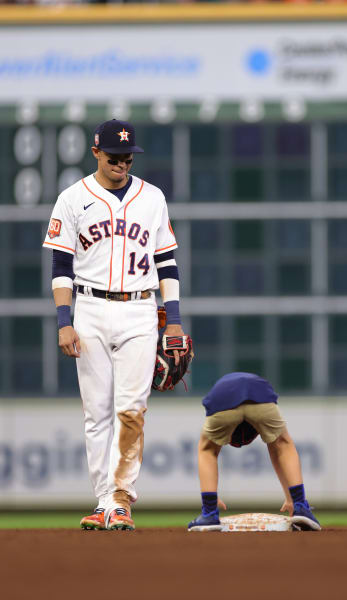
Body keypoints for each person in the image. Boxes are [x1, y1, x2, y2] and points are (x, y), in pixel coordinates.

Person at [43, 119, 186, 531]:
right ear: (95, 153)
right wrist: (63, 321)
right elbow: (60, 265)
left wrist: (173, 319)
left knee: (132, 410)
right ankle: (104, 501)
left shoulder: (151, 197)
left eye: (127, 157)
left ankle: (121, 500)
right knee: (96, 413)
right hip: (88, 309)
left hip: (140, 310)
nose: (122, 163)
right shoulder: (72, 198)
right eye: (114, 157)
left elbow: (166, 261)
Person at [188, 372, 321, 532]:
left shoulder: (223, 388)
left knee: (207, 449)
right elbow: (278, 453)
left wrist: (211, 497)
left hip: (223, 397)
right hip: (260, 394)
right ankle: (301, 506)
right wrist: (292, 499)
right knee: (282, 444)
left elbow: (211, 451)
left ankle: (209, 513)